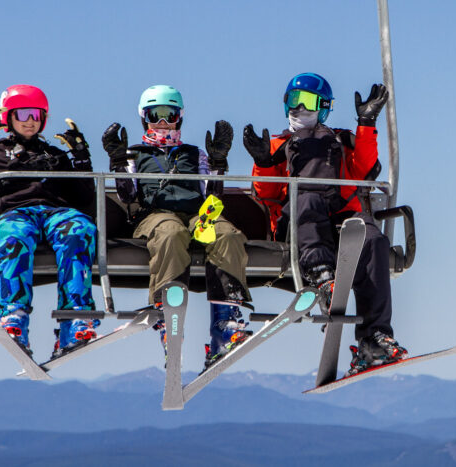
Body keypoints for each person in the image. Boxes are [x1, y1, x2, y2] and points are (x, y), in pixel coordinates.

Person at [243, 72, 407, 375]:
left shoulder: (341, 140)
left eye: (308, 101)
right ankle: (321, 276)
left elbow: (365, 171)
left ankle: (374, 338)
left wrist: (366, 124)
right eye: (294, 100)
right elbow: (266, 195)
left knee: (373, 239)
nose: (299, 108)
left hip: (340, 220)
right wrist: (264, 162)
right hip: (297, 224)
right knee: (308, 198)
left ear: (323, 107)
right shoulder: (278, 145)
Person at [101, 85, 252, 368]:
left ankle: (226, 323)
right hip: (155, 214)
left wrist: (219, 162)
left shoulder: (194, 154)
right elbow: (127, 195)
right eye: (154, 115)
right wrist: (118, 161)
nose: (162, 122)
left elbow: (213, 195)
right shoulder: (135, 154)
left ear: (179, 117)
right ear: (143, 118)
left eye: (169, 115)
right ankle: (168, 314)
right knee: (172, 233)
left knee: (227, 234)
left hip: (197, 214)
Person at [0, 84, 99, 358]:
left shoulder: (54, 155)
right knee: (15, 236)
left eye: (36, 115)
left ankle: (75, 318)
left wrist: (81, 156)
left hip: (55, 213)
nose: (30, 121)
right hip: (17, 212)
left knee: (80, 229)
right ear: (9, 117)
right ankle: (14, 315)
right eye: (23, 114)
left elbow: (85, 197)